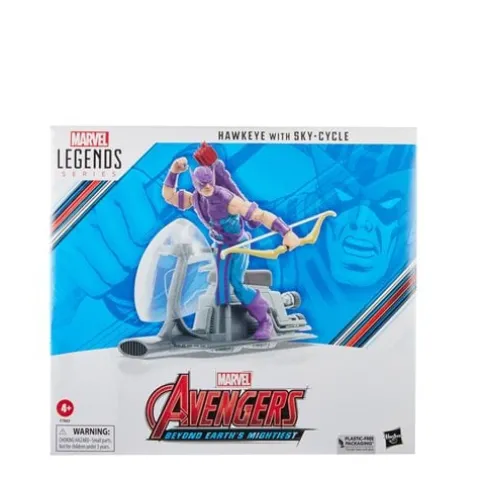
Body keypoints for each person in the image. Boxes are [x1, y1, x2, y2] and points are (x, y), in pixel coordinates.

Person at [162, 143, 300, 340]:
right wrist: (173, 172)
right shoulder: (195, 199)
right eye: (202, 185)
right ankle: (222, 329)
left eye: (209, 183)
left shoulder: (229, 200)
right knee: (220, 292)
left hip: (238, 245)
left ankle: (265, 320)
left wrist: (286, 231)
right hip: (220, 246)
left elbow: (260, 215)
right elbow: (169, 196)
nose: (207, 188)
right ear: (196, 184)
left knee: (236, 283)